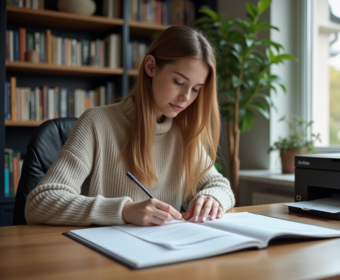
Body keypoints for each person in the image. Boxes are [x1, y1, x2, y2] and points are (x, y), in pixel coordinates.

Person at [25, 26, 235, 226]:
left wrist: (212, 197)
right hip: (101, 257)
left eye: (196, 89)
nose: (186, 97)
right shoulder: (96, 123)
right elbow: (40, 202)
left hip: (165, 255)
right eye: (179, 82)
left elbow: (220, 186)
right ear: (151, 66)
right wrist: (124, 210)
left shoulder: (183, 133)